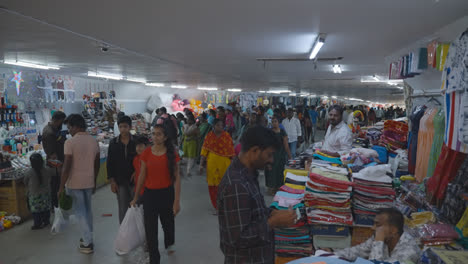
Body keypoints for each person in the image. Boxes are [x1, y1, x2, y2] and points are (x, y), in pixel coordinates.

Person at [217, 126, 297, 264]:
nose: (271, 160)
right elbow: (238, 237)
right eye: (269, 154)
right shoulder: (236, 185)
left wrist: (271, 213)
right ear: (254, 151)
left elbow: (252, 213)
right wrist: (273, 222)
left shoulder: (248, 174)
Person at [130, 124, 182, 264]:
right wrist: (135, 197)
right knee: (150, 230)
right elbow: (141, 176)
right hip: (150, 196)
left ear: (165, 137)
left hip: (167, 194)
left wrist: (177, 201)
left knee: (168, 225)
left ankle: (169, 242)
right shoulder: (146, 153)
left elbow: (177, 178)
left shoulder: (172, 154)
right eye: (153, 134)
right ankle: (155, 259)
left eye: (159, 134)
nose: (155, 137)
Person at [58, 114, 100, 254]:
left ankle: (87, 243)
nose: (68, 130)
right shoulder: (93, 141)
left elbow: (66, 166)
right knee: (88, 211)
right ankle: (88, 237)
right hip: (89, 181)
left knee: (80, 213)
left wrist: (60, 186)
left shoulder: (70, 142)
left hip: (74, 183)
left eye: (69, 127)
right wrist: (94, 181)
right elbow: (97, 163)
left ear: (76, 126)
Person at [326, 208, 421, 263]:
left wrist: (379, 241)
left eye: (378, 224)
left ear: (393, 230)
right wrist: (331, 254)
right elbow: (358, 251)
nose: (373, 228)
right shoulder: (384, 238)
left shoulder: (409, 252)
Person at [200, 119, 235, 211]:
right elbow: (204, 151)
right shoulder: (209, 136)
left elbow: (231, 152)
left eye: (222, 125)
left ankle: (224, 205)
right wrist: (201, 164)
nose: (221, 127)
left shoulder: (227, 136)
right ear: (214, 126)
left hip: (225, 165)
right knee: (213, 186)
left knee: (225, 186)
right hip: (212, 165)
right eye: (218, 125)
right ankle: (217, 206)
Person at [107, 115, 137, 224]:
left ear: (130, 127)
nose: (123, 129)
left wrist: (137, 171)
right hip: (120, 181)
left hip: (136, 181)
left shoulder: (137, 141)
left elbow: (143, 160)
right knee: (123, 208)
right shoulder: (113, 143)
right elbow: (110, 163)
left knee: (137, 206)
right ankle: (124, 234)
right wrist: (112, 181)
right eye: (120, 127)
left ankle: (139, 232)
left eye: (125, 126)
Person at [41, 111, 66, 209]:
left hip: (57, 164)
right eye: (62, 121)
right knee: (56, 186)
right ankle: (56, 208)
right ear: (57, 120)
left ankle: (59, 206)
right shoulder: (49, 133)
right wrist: (59, 167)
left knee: (58, 186)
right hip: (55, 166)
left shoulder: (53, 129)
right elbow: (52, 154)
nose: (62, 124)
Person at [24, 153, 55, 230]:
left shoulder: (29, 172)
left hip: (34, 195)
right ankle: (46, 221)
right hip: (46, 193)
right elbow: (54, 173)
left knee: (35, 211)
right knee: (46, 208)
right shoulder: (47, 169)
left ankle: (37, 224)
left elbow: (25, 182)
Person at [265, 115, 292, 195]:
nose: (274, 123)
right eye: (272, 122)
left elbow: (286, 145)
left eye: (275, 121)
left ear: (279, 122)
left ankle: (278, 188)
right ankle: (271, 189)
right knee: (271, 172)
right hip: (271, 155)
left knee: (279, 172)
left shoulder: (282, 132)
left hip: (280, 156)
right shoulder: (269, 132)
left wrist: (290, 156)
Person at [131, 136, 149, 200]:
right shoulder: (135, 159)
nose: (138, 148)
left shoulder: (149, 159)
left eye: (141, 146)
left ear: (147, 146)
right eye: (137, 146)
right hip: (138, 189)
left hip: (148, 190)